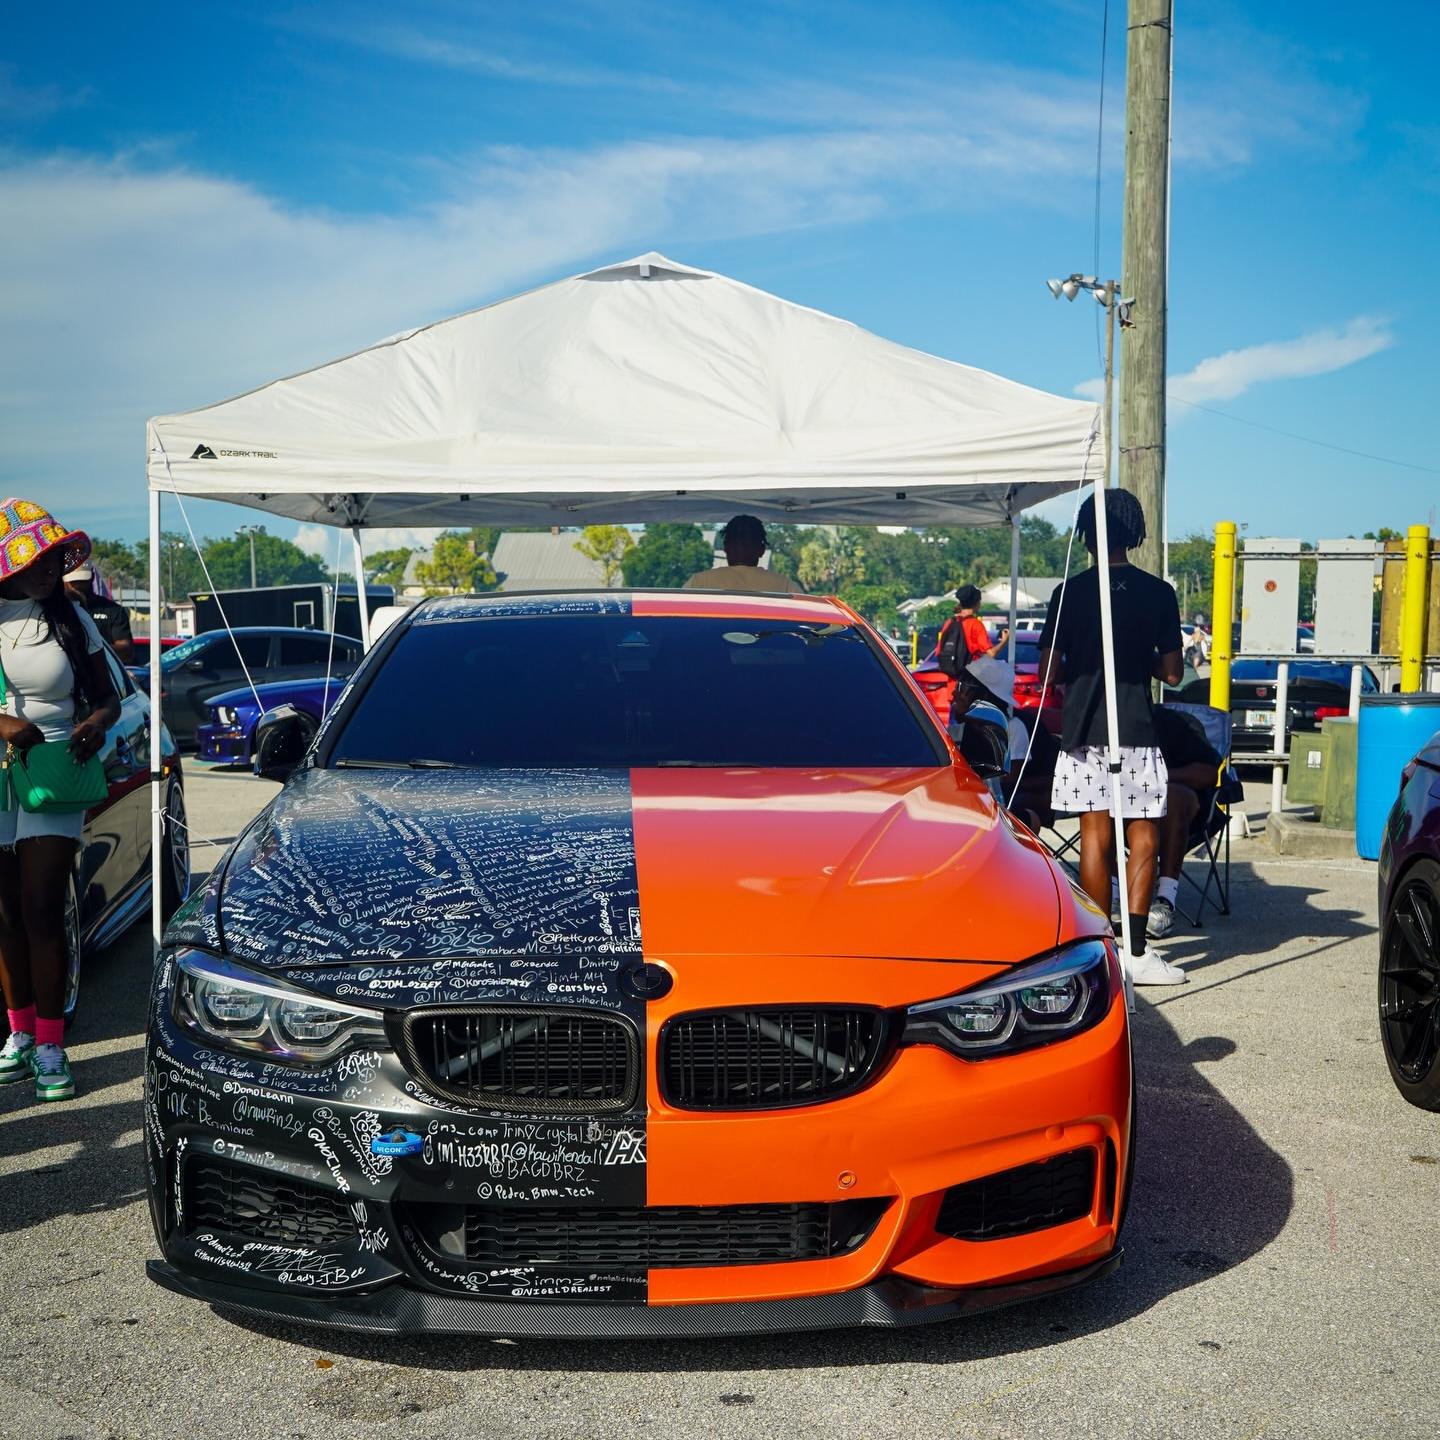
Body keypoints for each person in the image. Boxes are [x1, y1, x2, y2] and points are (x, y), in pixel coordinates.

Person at [1037, 489, 1185, 986]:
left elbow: (1046, 673)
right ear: (1135, 533)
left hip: (1082, 729)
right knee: (1144, 832)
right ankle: (1137, 952)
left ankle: (1100, 953)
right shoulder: (1159, 592)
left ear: (1085, 535)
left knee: (1095, 837)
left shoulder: (1068, 593)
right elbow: (1173, 673)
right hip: (1138, 728)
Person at [0, 500, 119, 1102]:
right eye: (34, 557)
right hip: (0, 770)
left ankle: (51, 1045)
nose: (47, 567)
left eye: (52, 556)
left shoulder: (72, 619)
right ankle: (18, 1034)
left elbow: (108, 698)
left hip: (55, 766)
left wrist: (97, 723)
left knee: (43, 905)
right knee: (5, 913)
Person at [1147, 706, 1223, 939]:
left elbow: (1210, 773)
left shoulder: (1175, 723)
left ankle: (1165, 899)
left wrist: (1159, 777)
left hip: (1179, 812)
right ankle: (1114, 894)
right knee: (1102, 799)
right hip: (1124, 810)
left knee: (1172, 797)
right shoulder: (1105, 724)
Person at [684, 515, 805, 594]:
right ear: (762, 549)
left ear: (726, 548)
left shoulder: (698, 583)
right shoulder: (785, 587)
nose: (741, 547)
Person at [936, 585, 1008, 682]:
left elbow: (939, 651)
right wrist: (1004, 641)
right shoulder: (975, 624)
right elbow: (991, 654)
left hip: (952, 684)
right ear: (976, 602)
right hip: (970, 684)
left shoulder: (950, 622)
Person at [64, 564, 134, 663]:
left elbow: (125, 647)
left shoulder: (113, 610)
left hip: (104, 670)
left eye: (82, 581)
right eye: (74, 582)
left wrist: (90, 650)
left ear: (92, 577)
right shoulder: (56, 610)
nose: (78, 586)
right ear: (64, 581)